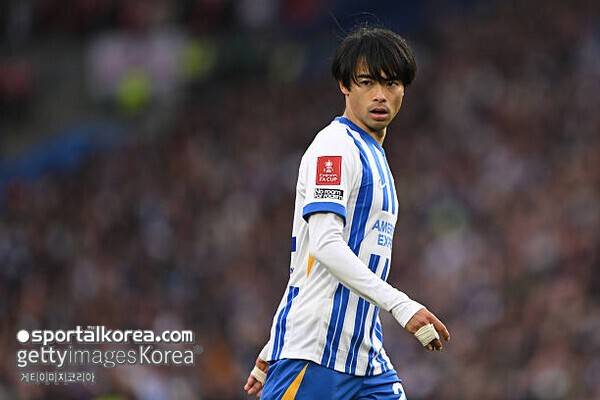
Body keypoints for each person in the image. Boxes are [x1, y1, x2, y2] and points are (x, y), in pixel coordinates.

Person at [244, 26, 450, 400]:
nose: (380, 95)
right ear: (344, 85)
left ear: (404, 89)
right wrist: (401, 305)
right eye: (367, 82)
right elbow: (324, 245)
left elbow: (305, 264)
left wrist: (271, 347)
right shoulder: (335, 148)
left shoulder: (374, 154)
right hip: (317, 354)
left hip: (364, 355)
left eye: (391, 83)